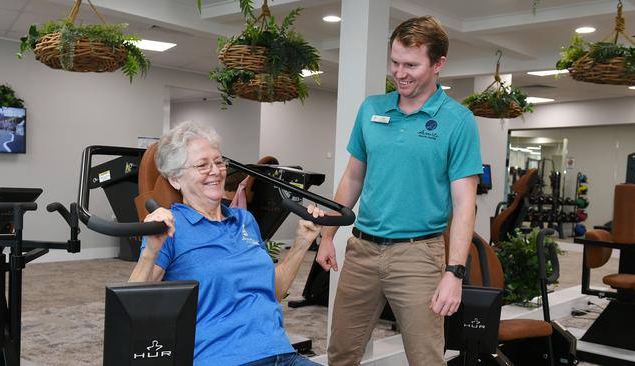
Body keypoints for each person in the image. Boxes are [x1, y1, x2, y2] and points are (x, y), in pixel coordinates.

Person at [316, 16, 482, 366]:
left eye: (411, 65)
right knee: (341, 353)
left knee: (425, 358)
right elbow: (352, 179)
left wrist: (454, 273)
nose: (400, 73)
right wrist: (328, 234)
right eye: (394, 62)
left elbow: (465, 204)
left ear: (438, 64)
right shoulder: (372, 109)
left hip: (418, 256)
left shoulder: (458, 120)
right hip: (361, 250)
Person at [129, 121, 324, 366]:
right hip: (223, 358)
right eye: (202, 165)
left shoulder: (245, 220)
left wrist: (301, 244)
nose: (216, 171)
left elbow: (273, 291)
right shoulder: (169, 227)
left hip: (282, 354)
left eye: (219, 162)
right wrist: (151, 250)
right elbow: (132, 308)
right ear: (175, 178)